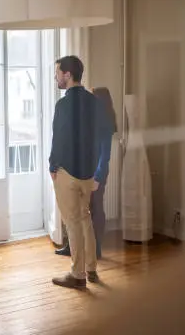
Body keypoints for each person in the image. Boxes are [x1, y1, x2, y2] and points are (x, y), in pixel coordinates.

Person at [50, 56, 110, 289]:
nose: (56, 77)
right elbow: (105, 137)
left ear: (68, 75)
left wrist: (52, 166)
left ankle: (77, 275)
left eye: (58, 73)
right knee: (85, 219)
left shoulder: (63, 105)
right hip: (88, 173)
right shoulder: (95, 102)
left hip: (67, 171)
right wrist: (99, 171)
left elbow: (59, 138)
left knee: (73, 223)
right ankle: (92, 268)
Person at [55, 87, 117, 259]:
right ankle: (73, 246)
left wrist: (97, 177)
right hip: (84, 171)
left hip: (96, 174)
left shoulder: (105, 123)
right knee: (77, 209)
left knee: (96, 209)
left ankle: (96, 249)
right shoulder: (91, 121)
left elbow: (105, 155)